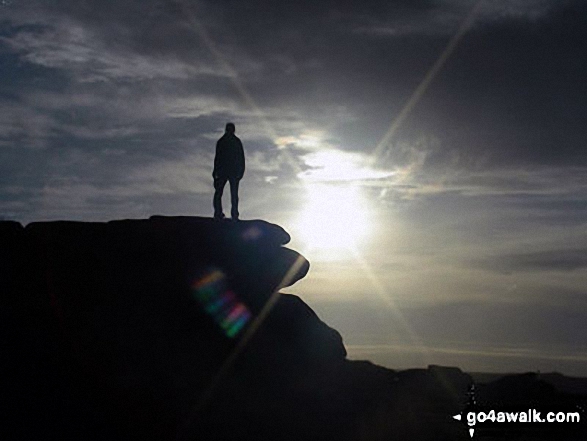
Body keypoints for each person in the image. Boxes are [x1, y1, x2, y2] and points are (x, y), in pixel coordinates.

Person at [213, 122, 245, 220]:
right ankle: (224, 213)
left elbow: (241, 158)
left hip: (228, 171)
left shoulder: (225, 141)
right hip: (228, 171)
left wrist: (241, 171)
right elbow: (218, 157)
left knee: (227, 193)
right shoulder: (231, 141)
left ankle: (229, 213)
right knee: (223, 193)